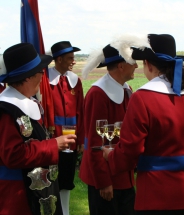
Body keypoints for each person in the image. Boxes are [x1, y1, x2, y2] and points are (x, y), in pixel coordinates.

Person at [102, 34, 184, 215]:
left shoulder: (142, 98)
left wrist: (111, 156)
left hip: (155, 195)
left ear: (148, 64)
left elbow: (130, 150)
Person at [0, 43, 76, 215]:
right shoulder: (6, 109)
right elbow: (13, 155)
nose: (43, 76)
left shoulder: (30, 102)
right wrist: (52, 145)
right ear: (28, 77)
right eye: (41, 72)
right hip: (19, 197)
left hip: (39, 191)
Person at [79, 40, 139, 215]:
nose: (136, 65)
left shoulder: (127, 89)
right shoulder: (98, 94)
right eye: (132, 62)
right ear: (121, 66)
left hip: (122, 175)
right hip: (107, 179)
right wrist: (103, 181)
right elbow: (94, 141)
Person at [48, 41, 84, 215]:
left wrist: (81, 139)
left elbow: (80, 112)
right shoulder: (44, 81)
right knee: (51, 181)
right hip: (51, 141)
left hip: (71, 141)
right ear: (59, 59)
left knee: (66, 180)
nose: (74, 61)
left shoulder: (75, 81)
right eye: (70, 58)